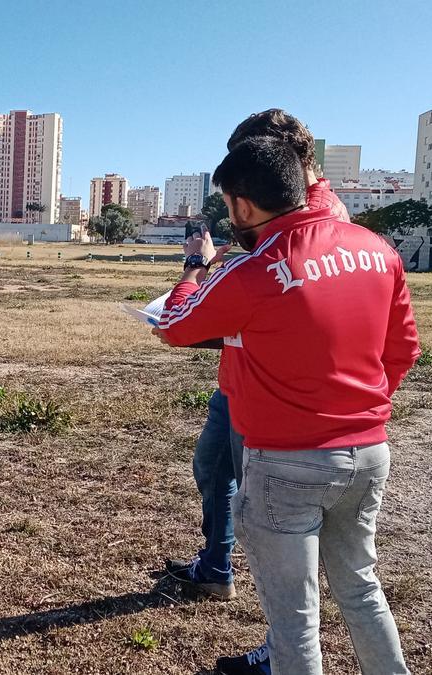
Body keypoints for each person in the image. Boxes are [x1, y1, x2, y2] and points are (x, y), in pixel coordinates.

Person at [158, 137, 418, 675]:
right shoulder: (377, 249)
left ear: (242, 205)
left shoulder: (256, 268)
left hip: (283, 461)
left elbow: (176, 327)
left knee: (295, 623)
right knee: (361, 588)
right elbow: (402, 348)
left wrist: (192, 268)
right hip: (369, 451)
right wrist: (354, 408)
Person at [162, 109, 352, 607]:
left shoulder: (320, 217)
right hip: (240, 372)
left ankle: (282, 635)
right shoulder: (279, 216)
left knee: (267, 508)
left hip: (274, 392)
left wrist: (198, 268)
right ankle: (216, 565)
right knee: (213, 467)